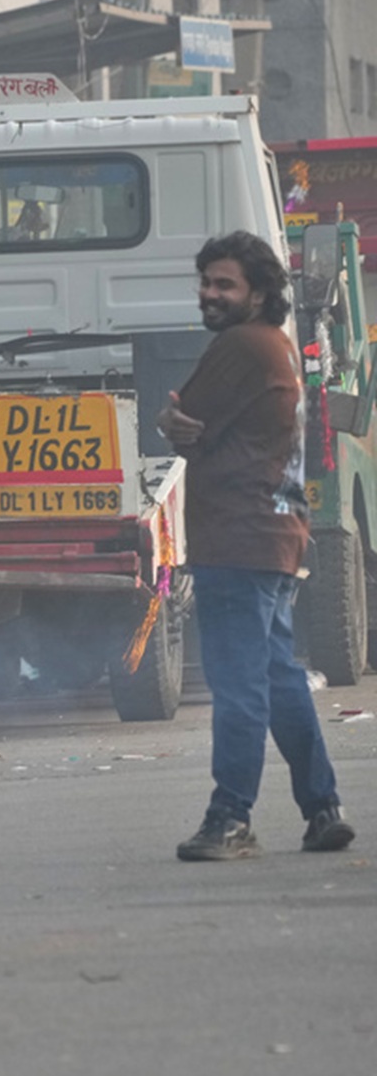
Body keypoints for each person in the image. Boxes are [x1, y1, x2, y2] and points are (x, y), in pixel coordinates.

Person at [157, 232, 354, 861]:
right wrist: (182, 424)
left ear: (259, 293)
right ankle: (322, 808)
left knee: (240, 684)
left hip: (238, 541)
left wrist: (173, 423)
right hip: (273, 537)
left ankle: (231, 817)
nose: (210, 295)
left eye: (225, 285)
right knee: (278, 677)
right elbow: (193, 423)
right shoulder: (278, 346)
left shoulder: (240, 345)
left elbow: (186, 419)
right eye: (206, 283)